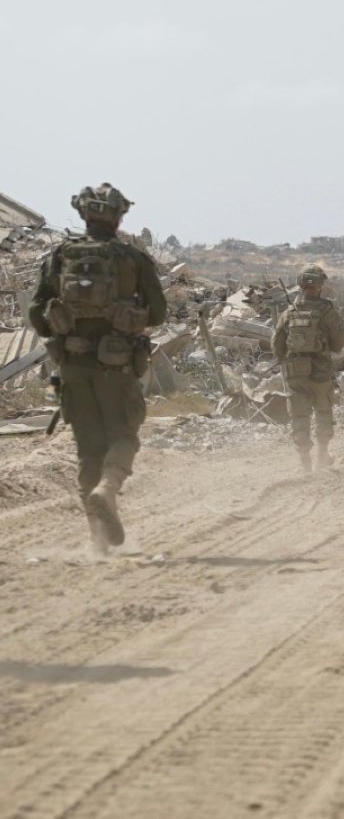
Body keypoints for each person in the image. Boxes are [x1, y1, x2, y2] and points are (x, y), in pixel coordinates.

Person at [27, 183, 167, 556]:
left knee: (88, 448)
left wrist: (61, 335)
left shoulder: (60, 256)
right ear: (120, 215)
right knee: (124, 436)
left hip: (73, 366)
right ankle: (107, 489)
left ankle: (97, 542)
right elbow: (159, 312)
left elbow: (34, 312)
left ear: (83, 214)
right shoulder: (131, 258)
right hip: (117, 366)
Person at [273, 264, 344, 471]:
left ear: (300, 285)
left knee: (299, 414)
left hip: (295, 370)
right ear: (320, 286)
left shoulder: (289, 313)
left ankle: (304, 458)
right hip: (321, 369)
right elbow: (339, 342)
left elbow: (277, 345)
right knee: (323, 410)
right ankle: (322, 454)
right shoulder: (327, 311)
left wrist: (287, 361)